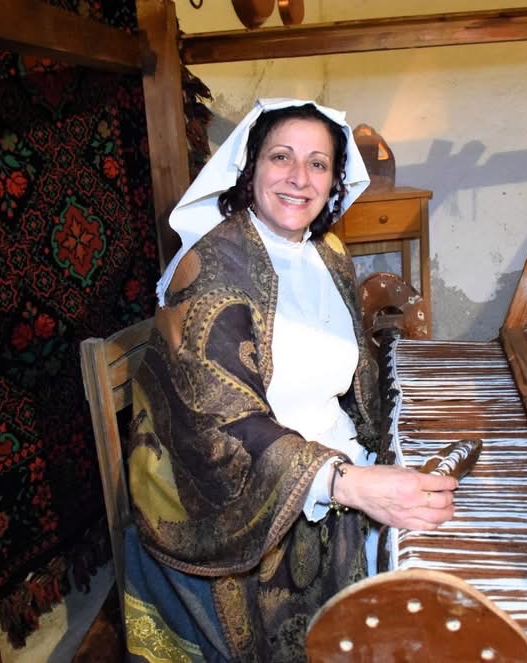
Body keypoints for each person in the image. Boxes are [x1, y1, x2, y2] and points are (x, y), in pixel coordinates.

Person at [123, 98, 458, 662]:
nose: (299, 178)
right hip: (231, 503)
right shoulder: (209, 269)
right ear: (250, 167)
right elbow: (219, 423)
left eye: (318, 163)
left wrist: (401, 432)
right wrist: (349, 483)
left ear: (334, 181)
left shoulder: (329, 254)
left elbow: (354, 376)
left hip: (330, 467)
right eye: (281, 157)